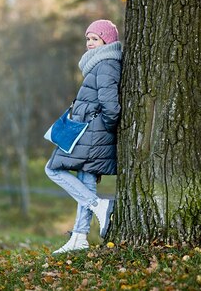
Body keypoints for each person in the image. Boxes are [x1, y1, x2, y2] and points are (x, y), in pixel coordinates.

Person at [45, 19, 122, 254]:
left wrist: (100, 127)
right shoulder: (98, 63)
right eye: (87, 38)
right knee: (86, 181)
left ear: (106, 40)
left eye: (95, 39)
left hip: (91, 132)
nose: (89, 43)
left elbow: (111, 107)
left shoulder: (106, 63)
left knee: (52, 169)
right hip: (88, 131)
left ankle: (99, 205)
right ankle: (79, 237)